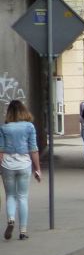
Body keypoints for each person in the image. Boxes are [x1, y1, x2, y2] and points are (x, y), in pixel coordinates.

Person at [1, 99, 41, 241]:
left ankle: (11, 219)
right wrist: (38, 169)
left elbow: (1, 150)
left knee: (10, 196)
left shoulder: (4, 128)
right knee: (22, 197)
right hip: (24, 164)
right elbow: (34, 149)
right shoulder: (29, 127)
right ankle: (23, 231)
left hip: (7, 164)